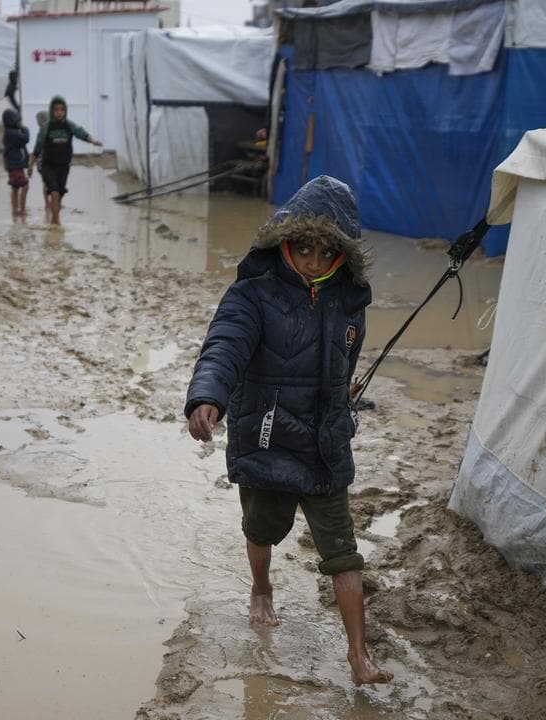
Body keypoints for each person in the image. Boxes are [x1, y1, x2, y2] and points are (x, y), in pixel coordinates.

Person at [184, 175, 392, 686]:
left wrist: (344, 398)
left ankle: (358, 657)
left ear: (342, 252)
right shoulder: (250, 295)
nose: (315, 262)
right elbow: (224, 347)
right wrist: (207, 397)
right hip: (267, 434)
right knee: (262, 529)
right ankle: (261, 587)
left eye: (327, 252)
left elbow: (347, 361)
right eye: (304, 249)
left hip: (324, 443)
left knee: (342, 551)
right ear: (284, 241)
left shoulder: (349, 302)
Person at [27, 95, 102, 225]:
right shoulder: (46, 127)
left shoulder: (69, 125)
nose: (59, 112)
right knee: (54, 192)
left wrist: (93, 141)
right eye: (56, 109)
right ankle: (56, 224)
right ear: (52, 111)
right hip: (48, 165)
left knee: (60, 194)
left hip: (64, 166)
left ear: (65, 111)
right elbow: (37, 148)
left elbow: (80, 132)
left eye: (62, 109)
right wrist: (30, 165)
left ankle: (54, 219)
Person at [1, 108, 30, 216]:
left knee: (15, 187)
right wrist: (25, 129)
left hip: (13, 165)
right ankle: (22, 210)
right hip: (15, 166)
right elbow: (26, 139)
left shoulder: (9, 133)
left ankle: (15, 210)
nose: (20, 123)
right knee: (25, 185)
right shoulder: (12, 133)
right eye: (18, 121)